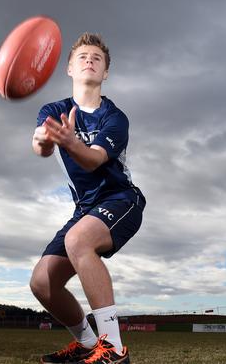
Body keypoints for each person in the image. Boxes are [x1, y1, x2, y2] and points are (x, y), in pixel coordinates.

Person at [30, 32, 145, 364]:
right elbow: (41, 149)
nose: (90, 60)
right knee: (42, 282)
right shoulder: (53, 109)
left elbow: (93, 159)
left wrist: (67, 140)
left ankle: (113, 350)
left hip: (121, 200)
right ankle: (85, 343)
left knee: (79, 240)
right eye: (82, 56)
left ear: (105, 72)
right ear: (69, 68)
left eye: (97, 57)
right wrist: (43, 139)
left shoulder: (114, 117)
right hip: (85, 209)